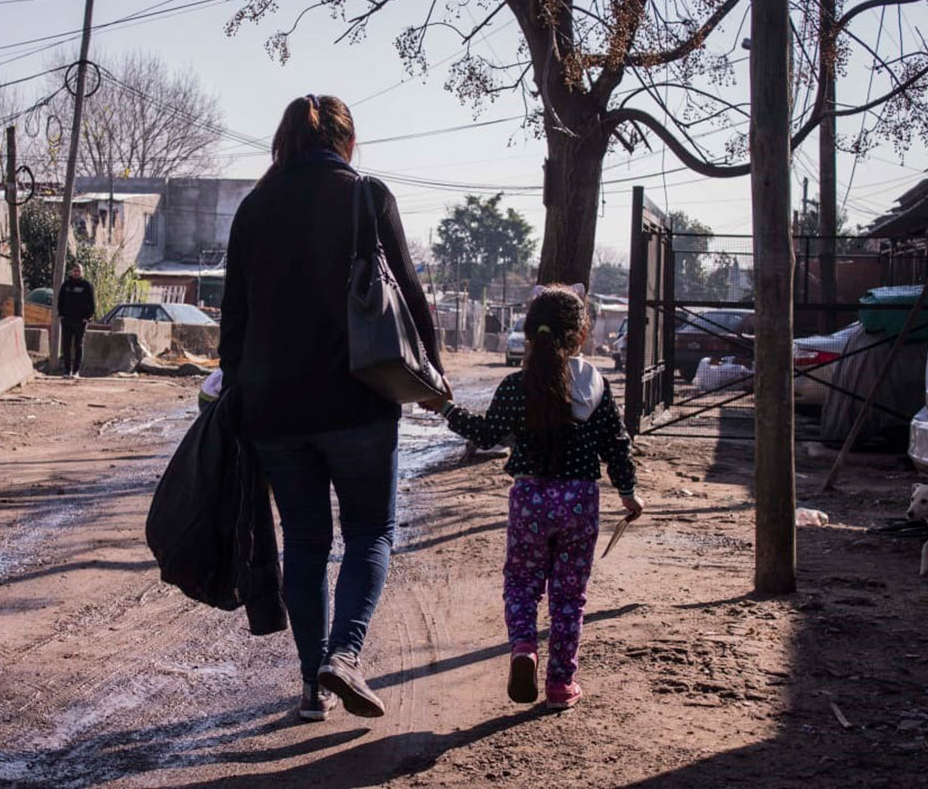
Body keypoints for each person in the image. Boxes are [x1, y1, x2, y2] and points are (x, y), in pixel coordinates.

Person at [220, 94, 447, 723]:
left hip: (274, 412)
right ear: (346, 141)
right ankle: (344, 655)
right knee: (370, 531)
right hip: (359, 398)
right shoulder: (364, 196)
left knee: (307, 542)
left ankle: (310, 687)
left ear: (283, 141)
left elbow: (233, 318)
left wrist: (236, 391)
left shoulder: (254, 208)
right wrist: (432, 374)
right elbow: (408, 291)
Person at [423, 285, 642, 710]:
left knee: (522, 583)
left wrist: (446, 409)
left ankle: (524, 645)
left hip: (530, 499)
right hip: (580, 501)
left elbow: (487, 434)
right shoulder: (595, 385)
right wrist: (628, 492)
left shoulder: (515, 386)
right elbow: (616, 443)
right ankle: (561, 685)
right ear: (581, 335)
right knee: (569, 595)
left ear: (529, 332)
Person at [57, 263, 94, 378]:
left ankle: (76, 371)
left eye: (78, 271)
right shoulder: (66, 285)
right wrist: (61, 315)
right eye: (74, 271)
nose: (76, 273)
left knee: (78, 345)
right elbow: (60, 301)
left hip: (80, 321)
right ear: (71, 272)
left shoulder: (87, 286)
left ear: (82, 272)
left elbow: (91, 303)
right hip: (67, 320)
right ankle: (67, 371)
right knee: (66, 346)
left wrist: (87, 317)